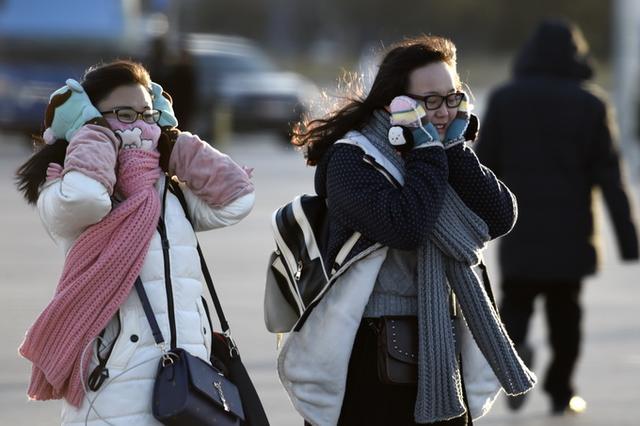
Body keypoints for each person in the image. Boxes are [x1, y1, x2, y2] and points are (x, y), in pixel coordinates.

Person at [278, 35, 536, 426]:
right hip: (368, 355)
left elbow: (501, 215)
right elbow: (407, 225)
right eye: (430, 100)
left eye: (452, 97)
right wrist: (429, 154)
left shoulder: (442, 149)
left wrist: (454, 152)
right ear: (394, 103)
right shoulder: (353, 159)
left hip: (441, 348)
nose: (445, 112)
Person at [15, 60, 255, 425]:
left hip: (187, 382)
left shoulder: (170, 191)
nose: (141, 126)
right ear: (90, 119)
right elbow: (87, 200)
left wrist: (181, 149)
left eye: (148, 114)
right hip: (116, 386)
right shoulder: (64, 187)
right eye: (124, 114)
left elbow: (236, 200)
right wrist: (94, 137)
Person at [475, 18, 639, 415]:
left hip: (519, 231)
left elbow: (481, 165)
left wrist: (468, 224)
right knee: (566, 316)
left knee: (515, 307)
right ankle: (561, 389)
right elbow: (610, 176)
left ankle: (515, 376)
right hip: (571, 235)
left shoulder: (504, 99)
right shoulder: (591, 103)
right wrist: (628, 240)